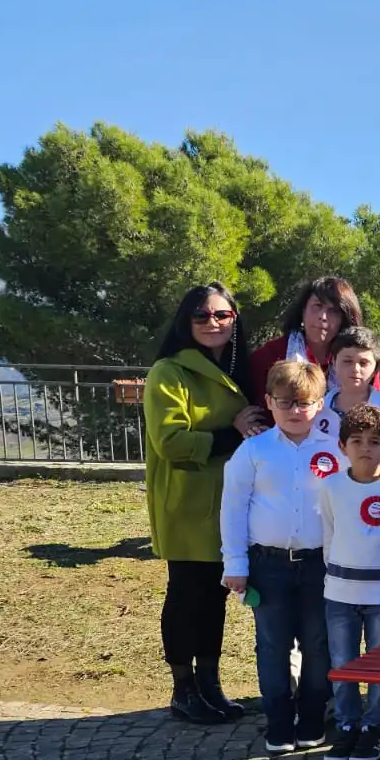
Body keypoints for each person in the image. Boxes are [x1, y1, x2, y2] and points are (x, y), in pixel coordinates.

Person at [144, 282, 261, 723]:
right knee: (185, 596)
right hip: (187, 501)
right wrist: (232, 431)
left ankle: (210, 686)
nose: (213, 323)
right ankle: (183, 689)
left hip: (228, 501)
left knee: (214, 598)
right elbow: (171, 441)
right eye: (202, 316)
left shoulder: (236, 365)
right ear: (185, 321)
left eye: (222, 316)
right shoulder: (169, 372)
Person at [220, 360, 337, 753]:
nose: (295, 410)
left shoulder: (335, 450)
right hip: (267, 565)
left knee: (318, 645)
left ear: (319, 404)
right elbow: (233, 509)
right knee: (272, 646)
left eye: (304, 402)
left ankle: (312, 718)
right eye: (285, 402)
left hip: (321, 564)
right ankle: (279, 723)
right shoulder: (252, 451)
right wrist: (235, 566)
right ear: (269, 402)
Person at [319, 404, 380, 760]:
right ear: (342, 446)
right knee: (342, 663)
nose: (365, 448)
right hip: (339, 593)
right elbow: (329, 537)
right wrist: (335, 579)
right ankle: (346, 726)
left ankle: (374, 728)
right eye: (356, 441)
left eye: (374, 442)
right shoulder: (331, 487)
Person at [248, 276, 365, 404]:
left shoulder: (361, 360)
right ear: (303, 310)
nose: (323, 316)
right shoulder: (269, 356)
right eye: (317, 306)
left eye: (334, 311)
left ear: (345, 320)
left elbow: (373, 410)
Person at [312, 327, 380, 456]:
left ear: (376, 369)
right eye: (347, 361)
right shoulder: (316, 410)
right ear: (334, 363)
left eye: (363, 363)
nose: (355, 369)